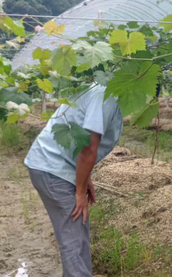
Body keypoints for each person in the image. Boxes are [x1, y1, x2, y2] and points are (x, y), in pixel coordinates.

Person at [24, 84, 122, 277]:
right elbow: (88, 147)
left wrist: (84, 179)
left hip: (52, 165)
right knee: (74, 242)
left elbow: (79, 138)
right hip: (53, 169)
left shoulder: (99, 88)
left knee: (77, 237)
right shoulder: (106, 94)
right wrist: (79, 191)